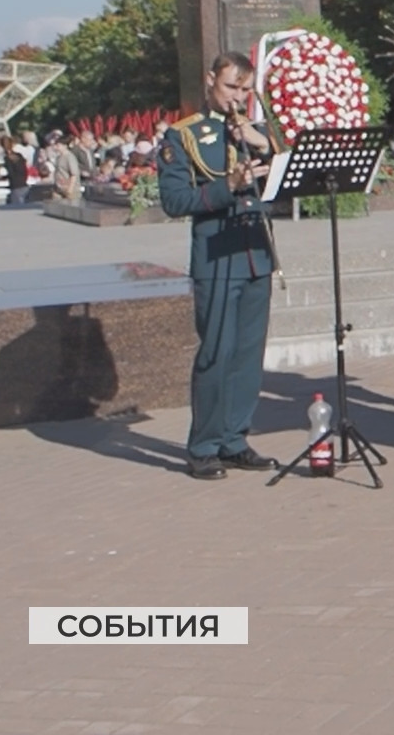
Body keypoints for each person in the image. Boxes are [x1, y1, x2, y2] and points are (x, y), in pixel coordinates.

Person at [157, 53, 279, 480]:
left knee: (248, 354)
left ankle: (234, 438)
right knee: (216, 353)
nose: (238, 98)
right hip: (216, 257)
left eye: (245, 90)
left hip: (256, 253)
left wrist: (261, 142)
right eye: (231, 87)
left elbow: (285, 181)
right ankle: (204, 445)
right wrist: (226, 186)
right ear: (211, 81)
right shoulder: (183, 136)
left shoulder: (260, 132)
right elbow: (175, 201)